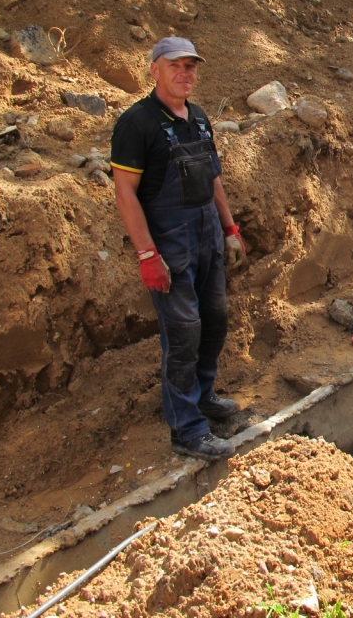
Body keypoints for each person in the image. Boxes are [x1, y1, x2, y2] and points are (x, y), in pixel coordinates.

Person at [110, 37, 248, 460]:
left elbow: (212, 178)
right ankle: (187, 430)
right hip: (170, 244)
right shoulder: (137, 124)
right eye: (176, 66)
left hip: (206, 234)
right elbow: (125, 194)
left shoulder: (200, 118)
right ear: (155, 70)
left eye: (191, 66)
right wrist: (147, 254)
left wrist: (229, 226)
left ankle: (203, 396)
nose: (185, 74)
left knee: (215, 320)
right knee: (183, 334)